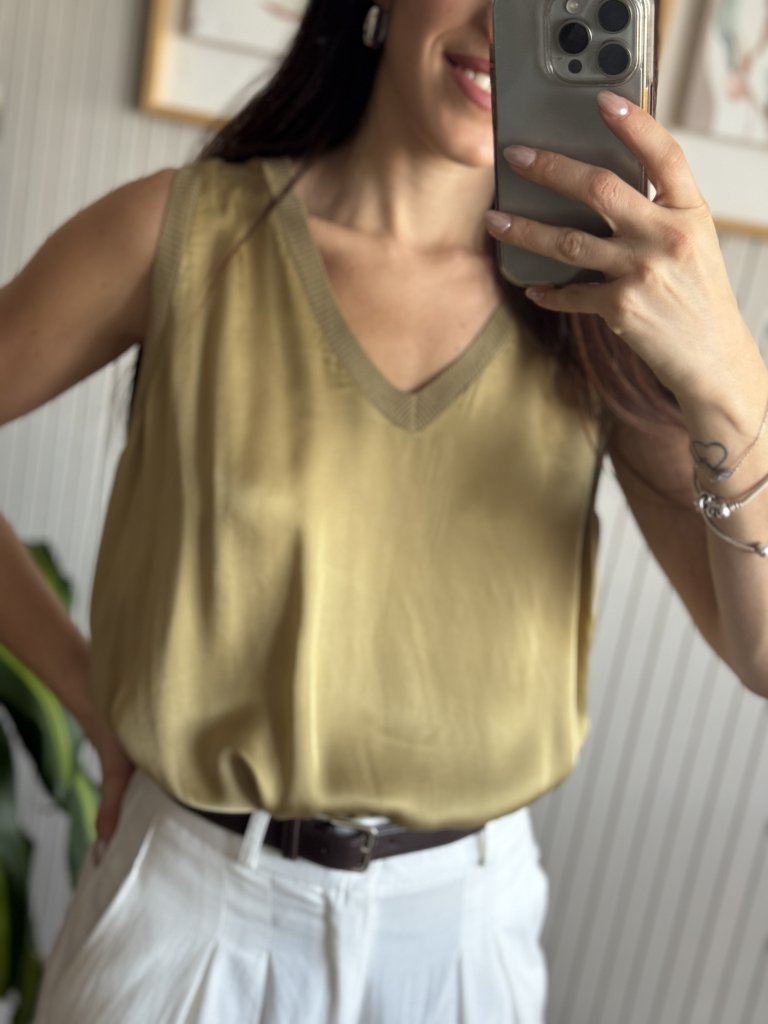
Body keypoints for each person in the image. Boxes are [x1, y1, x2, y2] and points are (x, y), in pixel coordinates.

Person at [1, 1, 766, 1021]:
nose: (500, 21)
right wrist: (83, 688)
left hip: (464, 940)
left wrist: (728, 373)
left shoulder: (602, 305)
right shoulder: (181, 233)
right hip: (186, 921)